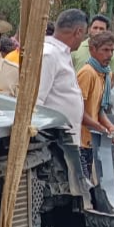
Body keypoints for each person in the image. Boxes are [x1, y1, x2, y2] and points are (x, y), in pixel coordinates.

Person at [36, 9, 89, 140]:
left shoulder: (63, 53)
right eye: (84, 35)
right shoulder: (49, 54)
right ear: (78, 32)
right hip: (52, 140)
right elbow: (37, 101)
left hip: (65, 139)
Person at [75, 31, 114, 183]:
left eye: (112, 50)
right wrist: (101, 129)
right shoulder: (87, 73)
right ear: (92, 50)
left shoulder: (103, 74)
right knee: (84, 187)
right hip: (80, 141)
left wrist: (111, 128)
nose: (109, 54)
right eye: (105, 50)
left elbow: (98, 110)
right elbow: (78, 111)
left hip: (90, 140)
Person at [72, 14, 114, 81]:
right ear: (89, 30)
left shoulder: (111, 53)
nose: (98, 31)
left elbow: (112, 80)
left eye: (101, 29)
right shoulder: (76, 48)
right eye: (95, 28)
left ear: (107, 32)